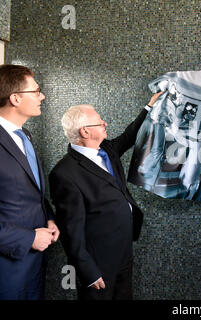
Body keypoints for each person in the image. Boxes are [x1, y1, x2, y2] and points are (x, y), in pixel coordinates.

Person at [49, 92, 161, 300]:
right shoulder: (64, 173)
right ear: (85, 131)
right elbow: (70, 230)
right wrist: (88, 272)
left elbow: (129, 136)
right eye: (100, 123)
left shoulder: (107, 149)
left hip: (123, 251)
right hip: (97, 262)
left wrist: (149, 106)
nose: (105, 124)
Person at [0, 64, 59, 300]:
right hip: (7, 268)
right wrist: (29, 238)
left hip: (33, 265)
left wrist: (49, 216)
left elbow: (31, 191)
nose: (42, 96)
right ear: (15, 98)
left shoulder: (24, 136)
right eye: (36, 91)